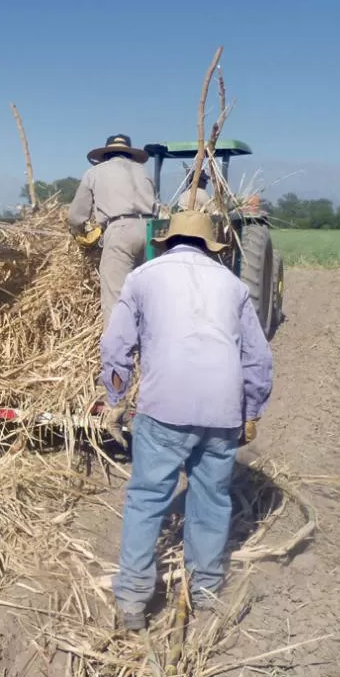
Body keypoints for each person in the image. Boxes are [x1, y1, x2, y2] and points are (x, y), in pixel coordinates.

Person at [99, 210, 274, 631]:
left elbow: (116, 345)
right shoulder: (232, 285)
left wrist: (116, 397)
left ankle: (133, 601)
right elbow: (258, 357)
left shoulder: (143, 277)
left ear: (165, 240)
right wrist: (251, 410)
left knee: (146, 499)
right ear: (211, 245)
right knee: (212, 500)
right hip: (222, 411)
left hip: (165, 409)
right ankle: (207, 590)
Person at [67, 134, 159, 328]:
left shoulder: (95, 172)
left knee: (116, 300)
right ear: (129, 153)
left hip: (120, 230)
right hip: (151, 231)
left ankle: (119, 352)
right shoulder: (143, 172)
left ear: (105, 154)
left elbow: (76, 216)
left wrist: (80, 233)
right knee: (147, 296)